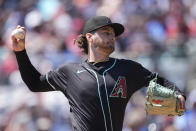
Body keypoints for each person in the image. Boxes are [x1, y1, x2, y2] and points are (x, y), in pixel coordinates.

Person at [11, 16, 186, 131]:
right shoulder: (69, 72)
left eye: (113, 34)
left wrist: (177, 93)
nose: (112, 37)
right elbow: (35, 83)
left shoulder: (128, 68)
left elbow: (158, 80)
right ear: (89, 37)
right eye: (106, 32)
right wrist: (20, 52)